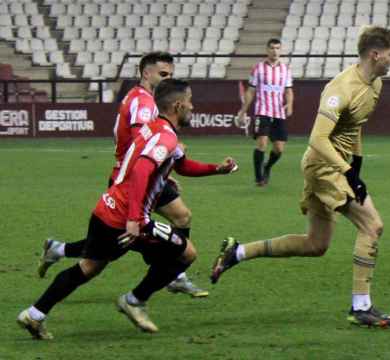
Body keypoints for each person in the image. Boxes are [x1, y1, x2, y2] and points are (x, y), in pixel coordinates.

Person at [17, 79, 239, 340]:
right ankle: (134, 300)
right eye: (190, 101)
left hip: (106, 209)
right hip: (128, 219)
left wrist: (217, 169)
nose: (193, 106)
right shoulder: (166, 136)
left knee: (89, 267)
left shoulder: (155, 129)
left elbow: (182, 165)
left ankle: (34, 314)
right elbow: (142, 168)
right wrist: (135, 219)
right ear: (178, 105)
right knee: (187, 254)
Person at [211, 26, 390, 328]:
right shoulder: (341, 88)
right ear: (375, 54)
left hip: (335, 166)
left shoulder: (375, 84)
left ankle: (238, 252)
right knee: (372, 226)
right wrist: (348, 171)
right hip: (323, 166)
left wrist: (358, 165)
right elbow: (317, 140)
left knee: (316, 244)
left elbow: (356, 125)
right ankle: (361, 306)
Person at [37, 52, 208, 297]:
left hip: (142, 173)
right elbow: (143, 140)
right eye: (162, 74)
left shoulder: (142, 97)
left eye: (170, 75)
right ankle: (172, 275)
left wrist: (162, 167)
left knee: (178, 218)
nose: (167, 78)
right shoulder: (143, 102)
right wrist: (162, 163)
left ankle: (59, 249)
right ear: (145, 73)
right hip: (134, 177)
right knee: (116, 243)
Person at [236, 38, 294, 186]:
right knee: (262, 143)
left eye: (277, 48)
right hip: (262, 111)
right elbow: (250, 91)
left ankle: (267, 167)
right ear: (267, 50)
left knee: (279, 148)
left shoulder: (285, 70)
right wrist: (243, 111)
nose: (275, 51)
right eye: (272, 48)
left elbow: (289, 90)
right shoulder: (258, 68)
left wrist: (290, 104)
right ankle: (259, 178)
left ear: (280, 50)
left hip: (278, 113)